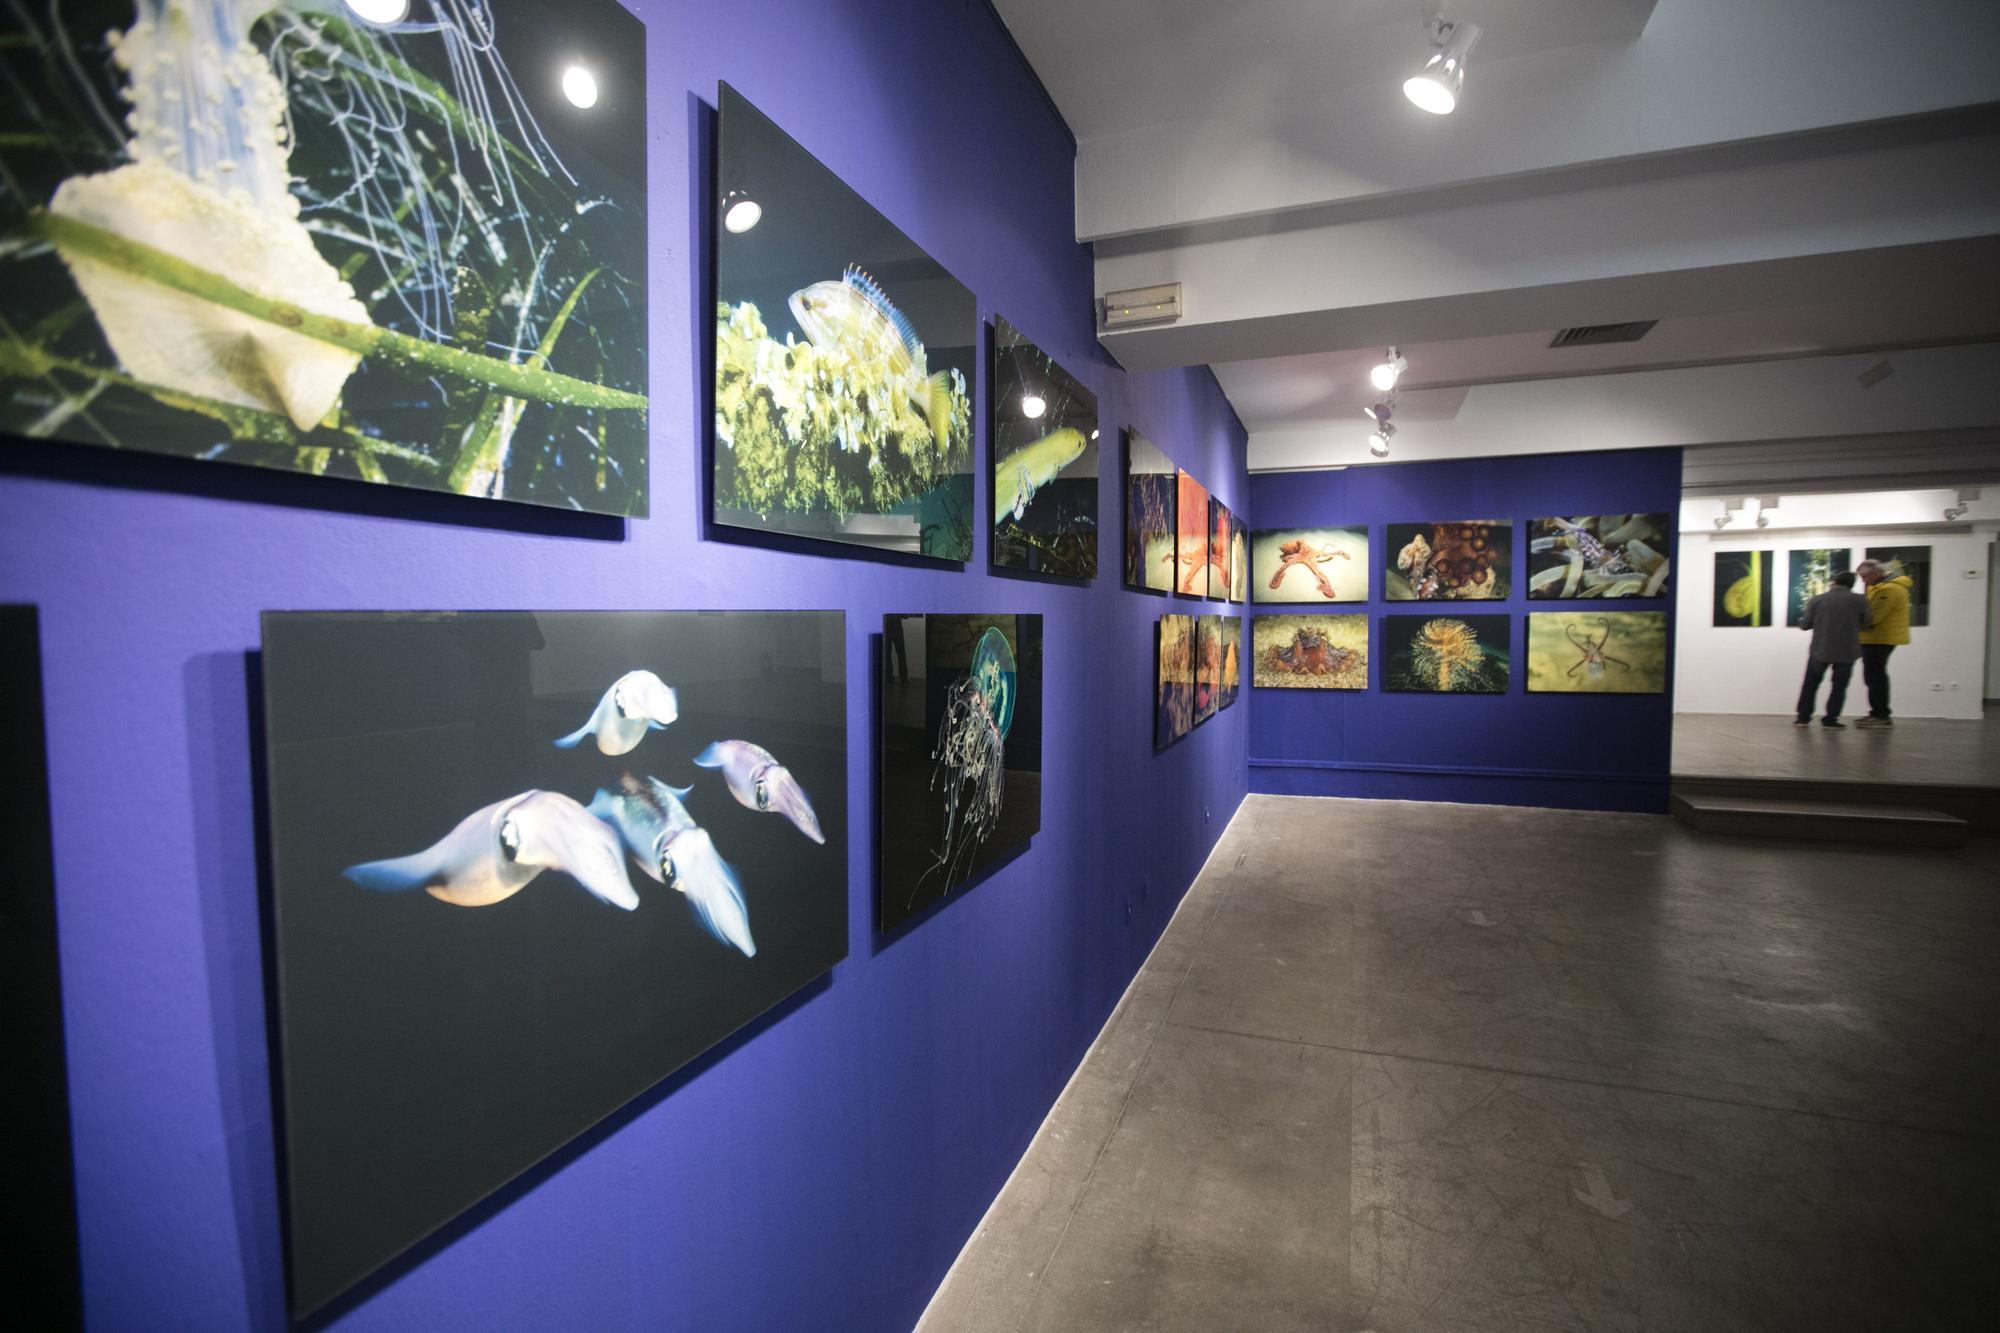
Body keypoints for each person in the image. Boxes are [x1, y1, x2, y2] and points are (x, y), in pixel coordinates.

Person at [1794, 570, 1871, 728]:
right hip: (1847, 650)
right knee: (1839, 686)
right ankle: (1831, 719)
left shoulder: (1818, 600)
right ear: (1852, 584)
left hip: (1820, 649)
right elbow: (1868, 622)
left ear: (1835, 582)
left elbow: (1805, 625)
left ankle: (1803, 717)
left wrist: (1802, 621)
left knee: (1810, 684)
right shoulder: (1859, 600)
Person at [1855, 558, 1913, 727]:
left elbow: (1873, 617)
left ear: (1875, 574)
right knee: (1873, 676)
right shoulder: (1880, 588)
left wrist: (1853, 621)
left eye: (1865, 577)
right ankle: (1877, 713)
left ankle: (1881, 715)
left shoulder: (1889, 590)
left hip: (1880, 638)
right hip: (1876, 637)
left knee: (1875, 677)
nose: (1863, 581)